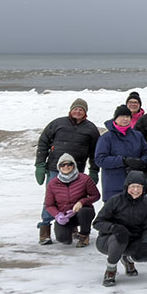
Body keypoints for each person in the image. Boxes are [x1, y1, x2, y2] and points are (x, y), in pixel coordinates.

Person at [35, 98, 100, 245]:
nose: (78, 111)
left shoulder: (90, 129)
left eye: (81, 109)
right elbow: (43, 142)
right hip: (54, 169)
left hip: (77, 170)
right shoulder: (57, 123)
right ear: (70, 110)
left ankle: (72, 227)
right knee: (51, 200)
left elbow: (95, 151)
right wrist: (39, 164)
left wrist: (94, 170)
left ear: (85, 113)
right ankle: (45, 230)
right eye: (75, 109)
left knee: (74, 198)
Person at [93, 171, 147, 287]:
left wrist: (146, 240)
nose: (135, 190)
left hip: (133, 239)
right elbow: (97, 222)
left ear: (144, 188)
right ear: (127, 187)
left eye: (139, 187)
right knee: (119, 240)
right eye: (132, 187)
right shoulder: (115, 200)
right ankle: (110, 271)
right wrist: (114, 227)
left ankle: (128, 259)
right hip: (109, 239)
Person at [95, 105, 147, 201]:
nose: (125, 119)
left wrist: (141, 162)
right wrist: (123, 161)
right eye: (122, 116)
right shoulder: (106, 137)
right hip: (113, 185)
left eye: (128, 116)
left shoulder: (137, 135)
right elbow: (100, 159)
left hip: (135, 185)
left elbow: (146, 152)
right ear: (115, 118)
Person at [43, 153, 100, 246]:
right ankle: (70, 230)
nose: (66, 166)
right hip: (65, 215)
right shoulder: (53, 183)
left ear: (74, 165)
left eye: (69, 164)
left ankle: (84, 235)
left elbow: (96, 195)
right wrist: (57, 215)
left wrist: (82, 202)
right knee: (63, 239)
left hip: (81, 212)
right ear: (58, 167)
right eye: (62, 165)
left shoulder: (84, 179)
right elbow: (49, 205)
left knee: (85, 212)